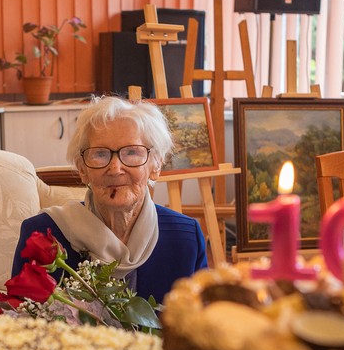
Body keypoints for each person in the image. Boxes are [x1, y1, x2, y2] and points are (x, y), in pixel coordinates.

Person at [11, 96, 208, 304]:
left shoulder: (186, 238)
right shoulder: (42, 236)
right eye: (100, 154)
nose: (115, 168)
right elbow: (21, 323)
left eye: (132, 152)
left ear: (156, 165)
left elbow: (202, 328)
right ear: (82, 169)